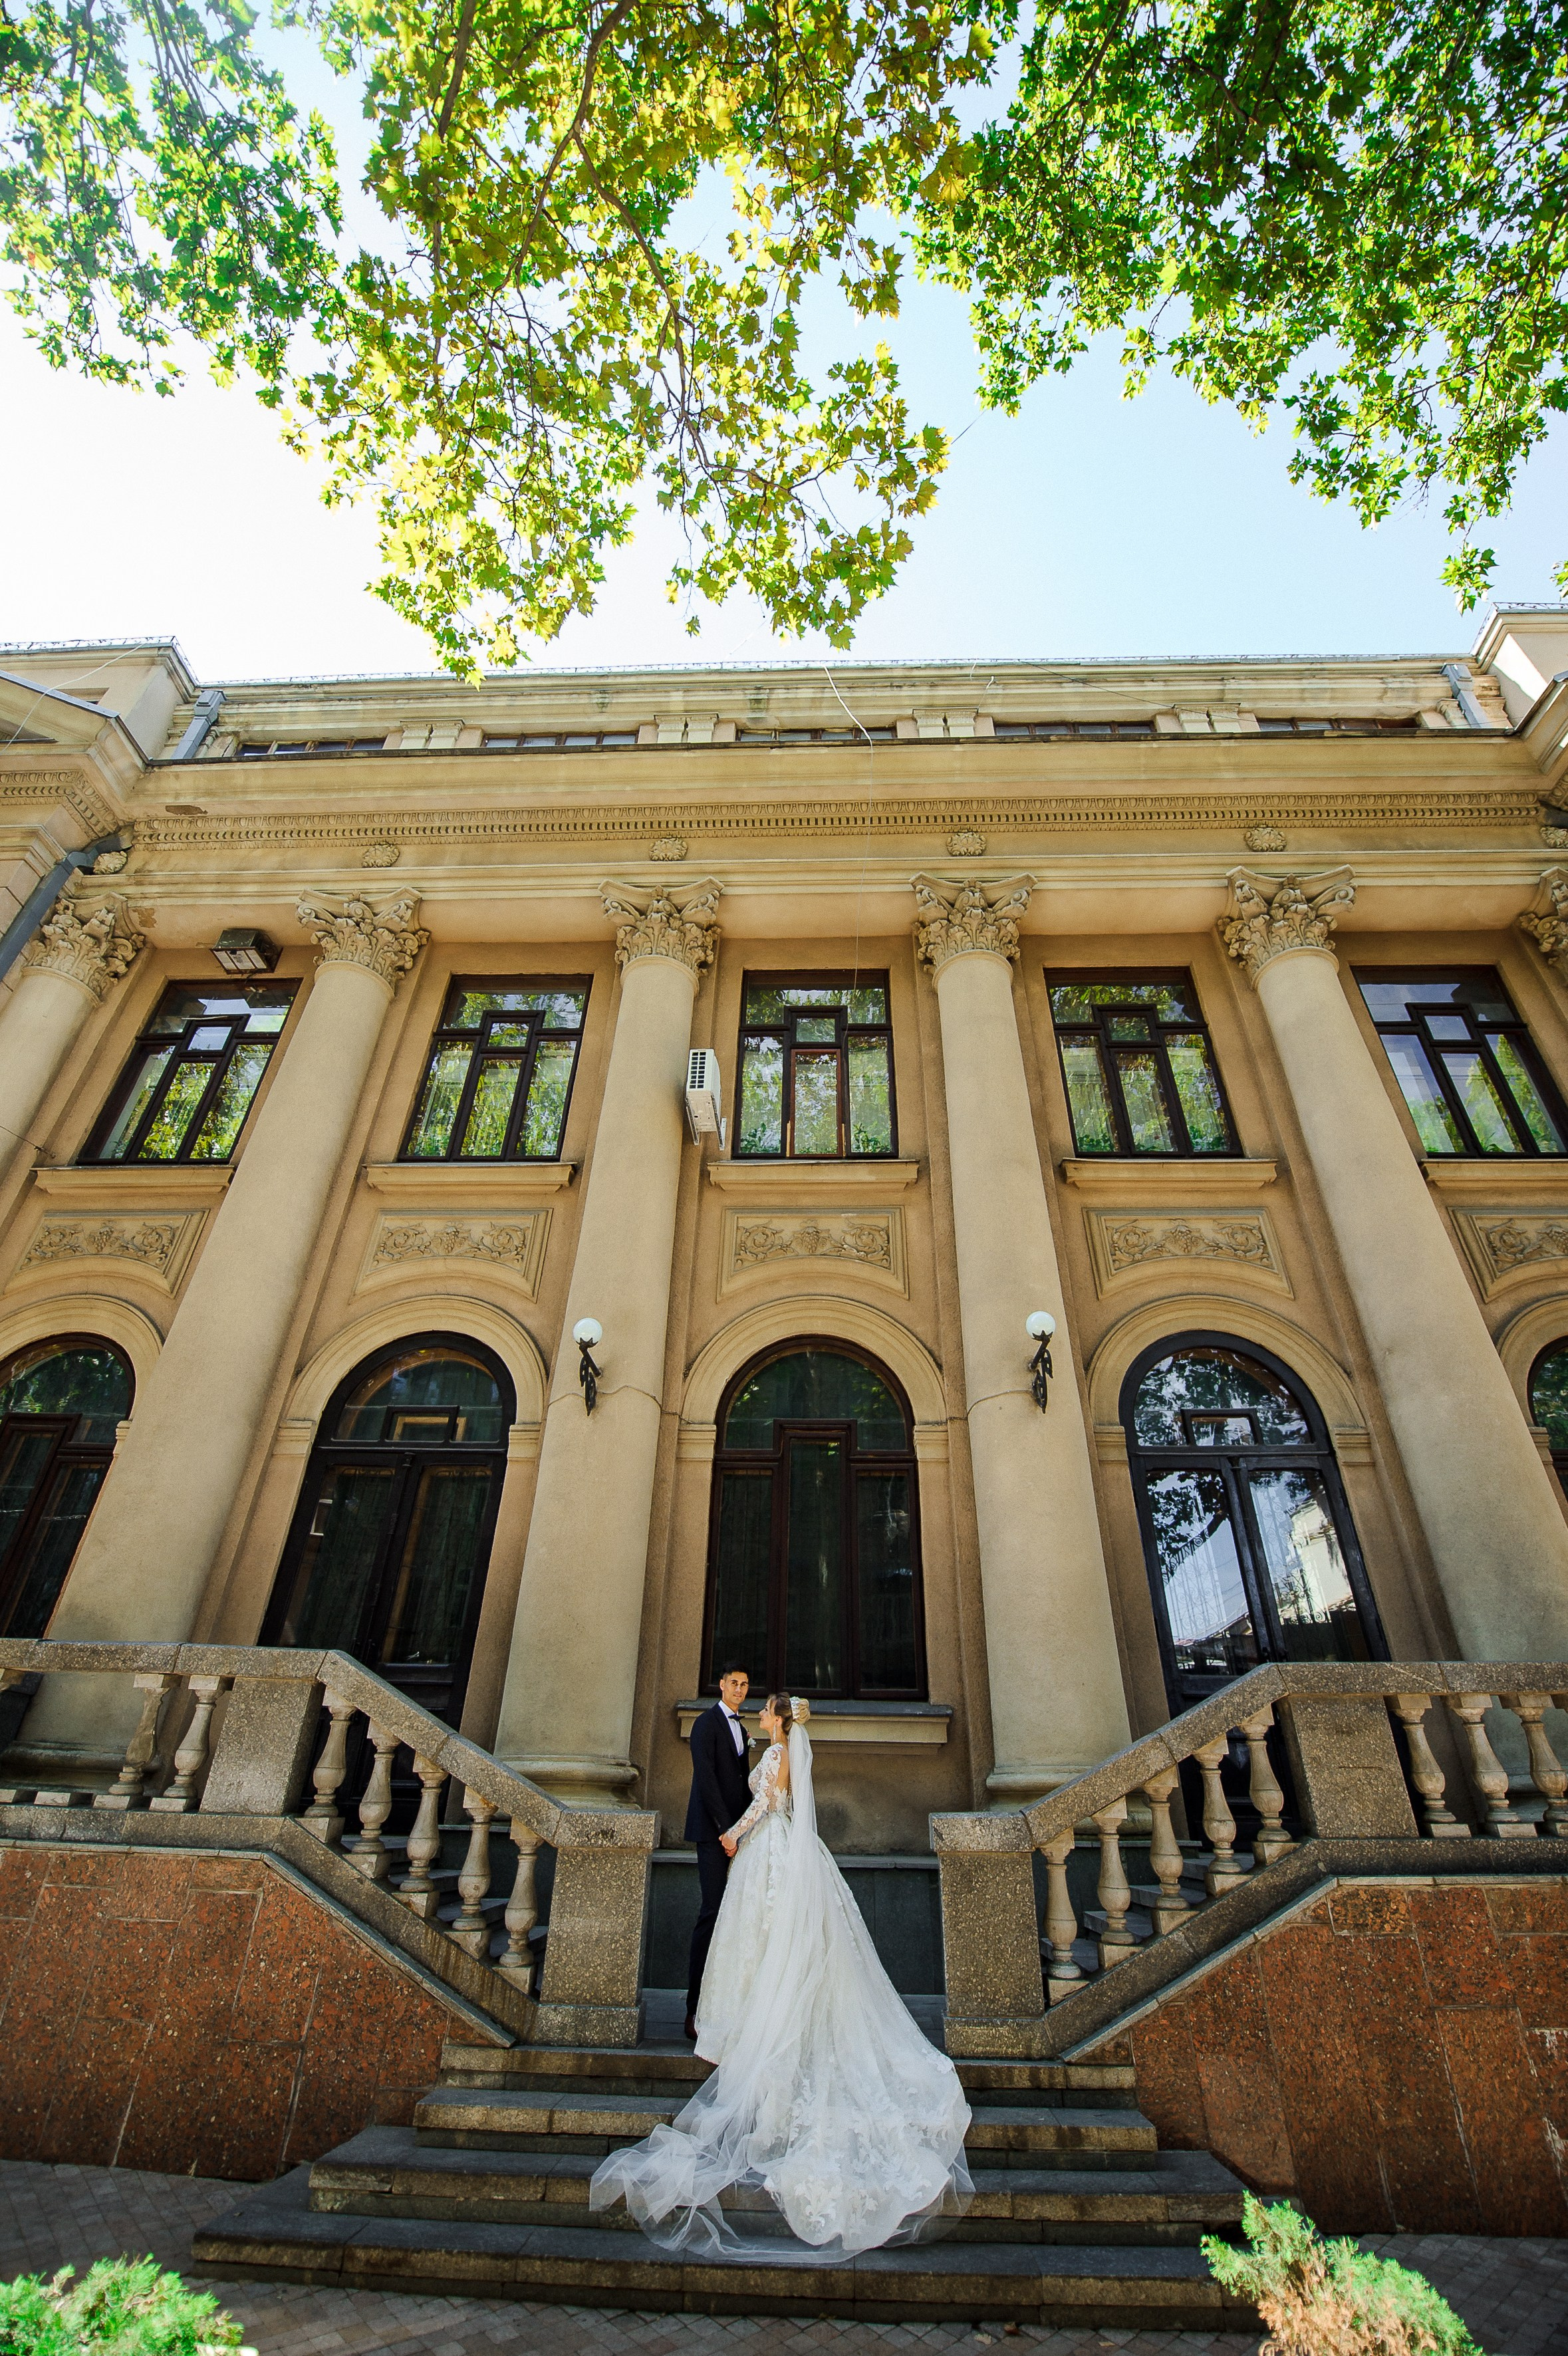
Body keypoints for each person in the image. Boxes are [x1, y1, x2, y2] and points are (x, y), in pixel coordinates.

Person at [590, 1692, 972, 2260]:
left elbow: (768, 1806)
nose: (760, 1716)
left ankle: (756, 2022)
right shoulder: (784, 1751)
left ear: (778, 1718)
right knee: (786, 1940)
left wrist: (733, 1834)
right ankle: (777, 2014)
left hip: (769, 1846)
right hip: (794, 1848)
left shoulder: (773, 1757)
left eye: (766, 1710)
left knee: (763, 1937)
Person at [683, 1662, 754, 2041]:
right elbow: (707, 1779)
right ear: (721, 1686)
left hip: (737, 1835)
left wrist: (745, 1829)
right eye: (734, 1683)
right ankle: (693, 2009)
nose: (740, 1690)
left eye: (745, 1685)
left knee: (734, 1918)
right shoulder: (706, 1724)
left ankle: (725, 2006)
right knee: (711, 1914)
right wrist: (725, 1829)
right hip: (713, 1834)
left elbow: (742, 1785)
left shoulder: (742, 1729)